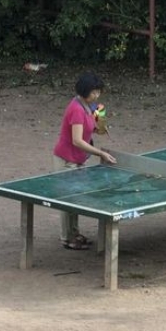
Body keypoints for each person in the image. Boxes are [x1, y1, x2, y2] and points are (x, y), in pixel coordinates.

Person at [53, 71, 116, 249]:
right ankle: (67, 238)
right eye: (93, 92)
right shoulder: (76, 109)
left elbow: (95, 126)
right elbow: (77, 140)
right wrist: (101, 154)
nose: (96, 95)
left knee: (76, 197)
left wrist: (101, 127)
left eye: (98, 91)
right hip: (66, 159)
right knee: (67, 200)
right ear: (83, 91)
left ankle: (75, 233)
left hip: (79, 159)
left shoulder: (93, 106)